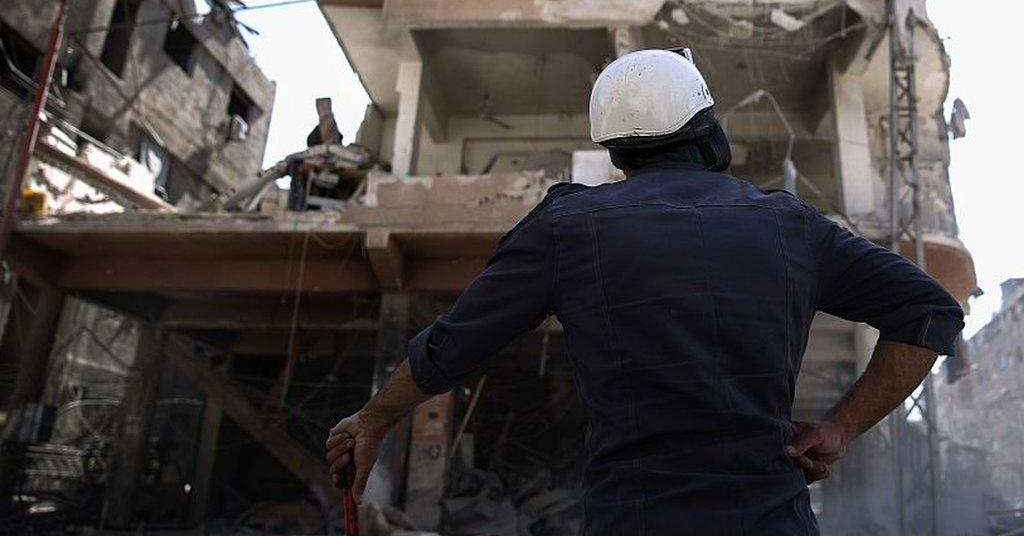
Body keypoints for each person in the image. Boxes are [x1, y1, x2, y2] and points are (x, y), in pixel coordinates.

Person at [326, 49, 964, 534]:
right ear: (707, 127)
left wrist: (374, 418)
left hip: (632, 518)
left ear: (615, 149)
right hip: (772, 518)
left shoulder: (567, 227)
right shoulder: (788, 224)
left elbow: (453, 346)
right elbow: (930, 310)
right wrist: (841, 427)